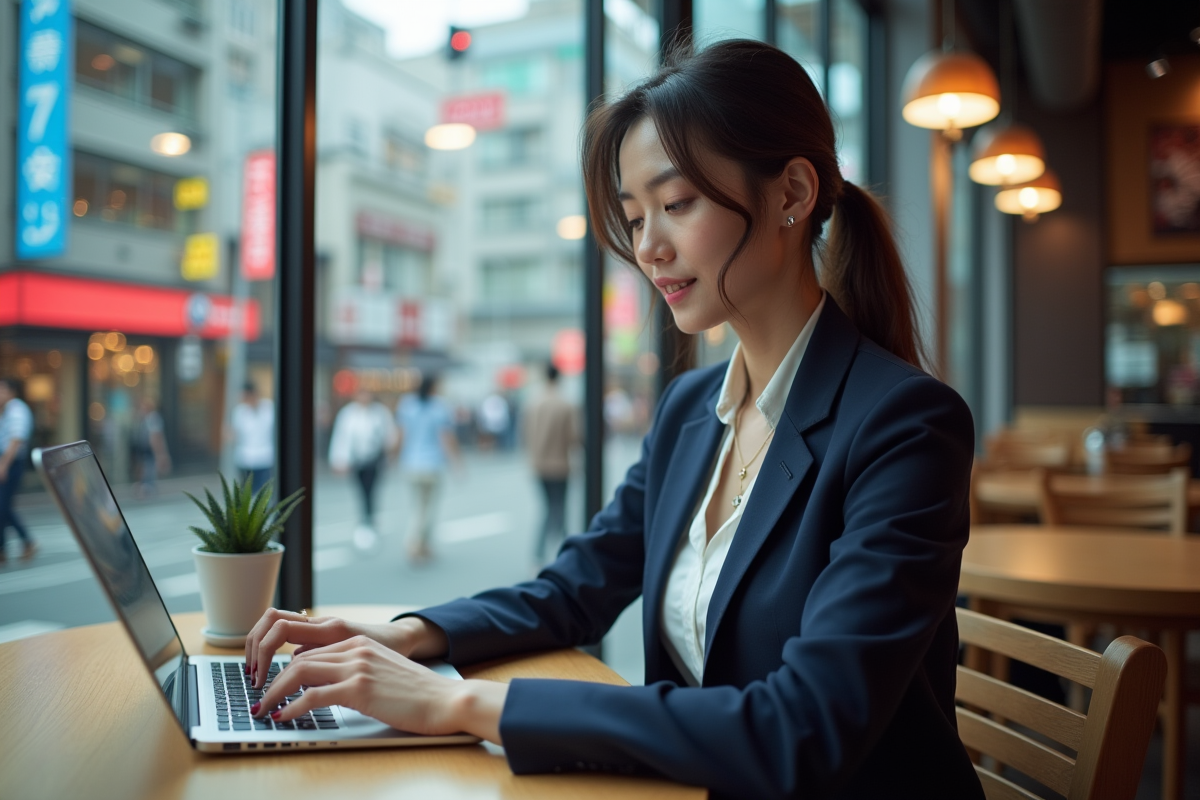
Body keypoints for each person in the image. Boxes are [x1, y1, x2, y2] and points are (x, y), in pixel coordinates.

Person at [243, 40, 983, 800]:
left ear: (792, 191)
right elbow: (576, 589)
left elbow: (802, 728)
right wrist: (399, 636)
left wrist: (452, 701)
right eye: (634, 217)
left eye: (677, 204)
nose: (648, 247)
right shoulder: (692, 412)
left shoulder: (906, 427)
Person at [395, 374, 459, 564]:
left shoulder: (407, 405)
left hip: (411, 463)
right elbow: (445, 437)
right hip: (432, 464)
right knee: (428, 509)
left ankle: (424, 545)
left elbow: (401, 434)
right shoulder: (439, 407)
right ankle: (414, 543)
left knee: (418, 506)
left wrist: (393, 456)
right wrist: (456, 461)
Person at [522, 363, 578, 563]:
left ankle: (538, 555)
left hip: (538, 465)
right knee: (560, 508)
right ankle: (565, 553)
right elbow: (574, 436)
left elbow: (525, 435)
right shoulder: (565, 404)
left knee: (546, 508)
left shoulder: (533, 403)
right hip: (560, 465)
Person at [328, 389, 395, 549]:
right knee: (361, 491)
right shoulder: (348, 413)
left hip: (375, 460)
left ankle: (369, 521)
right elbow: (341, 437)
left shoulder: (380, 413)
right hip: (356, 460)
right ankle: (365, 520)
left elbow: (389, 436)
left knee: (371, 490)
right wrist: (339, 460)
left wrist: (390, 455)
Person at [0, 378, 37, 564]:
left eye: (1, 389)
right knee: (4, 506)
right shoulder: (5, 411)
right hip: (6, 461)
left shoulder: (17, 410)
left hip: (12, 462)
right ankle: (23, 542)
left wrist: (3, 465)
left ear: (11, 392)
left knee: (2, 506)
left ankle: (8, 547)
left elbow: (16, 440)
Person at [231, 381, 274, 494]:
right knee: (247, 493)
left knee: (264, 493)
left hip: (265, 458)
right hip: (245, 459)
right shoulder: (240, 411)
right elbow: (235, 433)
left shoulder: (269, 408)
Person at [131, 396, 170, 498]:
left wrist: (160, 454)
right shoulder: (149, 418)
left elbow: (155, 437)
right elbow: (154, 437)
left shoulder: (151, 418)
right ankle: (146, 491)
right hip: (146, 451)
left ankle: (146, 491)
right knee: (147, 472)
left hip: (148, 451)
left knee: (148, 473)